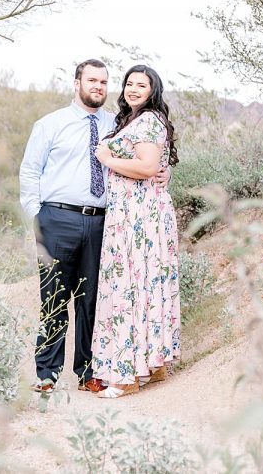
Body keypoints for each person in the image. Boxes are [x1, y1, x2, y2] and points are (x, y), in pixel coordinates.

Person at [19, 59, 168, 394]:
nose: (98, 87)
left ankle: (89, 371)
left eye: (103, 82)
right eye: (92, 81)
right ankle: (47, 373)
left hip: (104, 221)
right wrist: (36, 214)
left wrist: (164, 171)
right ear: (77, 83)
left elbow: (146, 156)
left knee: (94, 301)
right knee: (55, 298)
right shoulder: (49, 124)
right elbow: (29, 171)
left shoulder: (117, 125)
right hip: (57, 218)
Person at [90, 64, 182, 398]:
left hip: (139, 218)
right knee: (145, 285)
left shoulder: (148, 121)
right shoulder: (133, 121)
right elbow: (154, 165)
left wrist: (106, 158)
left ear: (152, 90)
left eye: (140, 85)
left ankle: (127, 376)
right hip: (132, 215)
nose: (133, 89)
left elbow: (145, 168)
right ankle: (154, 364)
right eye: (129, 83)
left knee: (130, 286)